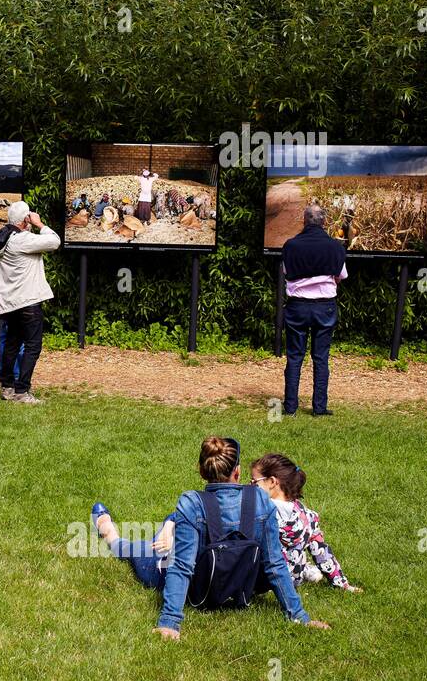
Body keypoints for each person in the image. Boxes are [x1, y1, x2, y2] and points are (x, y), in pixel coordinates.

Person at [153, 437, 328, 639]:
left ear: (201, 471)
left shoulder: (192, 502)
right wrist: (300, 616)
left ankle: (113, 537)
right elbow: (274, 563)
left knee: (140, 550)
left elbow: (183, 566)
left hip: (199, 593)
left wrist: (170, 623)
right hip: (241, 591)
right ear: (237, 471)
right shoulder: (260, 499)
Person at [251, 453, 361, 592]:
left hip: (262, 581)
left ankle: (306, 569)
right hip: (293, 579)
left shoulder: (258, 512)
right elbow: (321, 552)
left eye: (254, 482)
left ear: (272, 482)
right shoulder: (307, 515)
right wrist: (342, 583)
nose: (250, 486)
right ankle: (305, 569)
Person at [0, 201, 60, 403]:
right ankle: (22, 391)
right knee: (33, 345)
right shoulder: (22, 240)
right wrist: (40, 224)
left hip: (8, 305)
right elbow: (54, 241)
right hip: (28, 303)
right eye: (29, 217)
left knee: (11, 344)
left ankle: (7, 387)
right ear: (25, 220)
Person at [281, 204, 347, 416]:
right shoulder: (336, 247)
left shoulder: (290, 245)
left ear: (304, 221)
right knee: (321, 358)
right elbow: (340, 276)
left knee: (294, 357)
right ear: (324, 222)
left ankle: (290, 408)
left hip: (297, 307)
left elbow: (287, 273)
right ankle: (319, 408)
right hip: (325, 308)